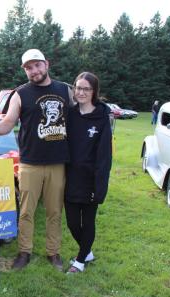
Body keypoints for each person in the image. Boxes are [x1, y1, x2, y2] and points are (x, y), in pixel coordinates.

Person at [0, 49, 74, 271]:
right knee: (26, 211)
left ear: (46, 64)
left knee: (55, 211)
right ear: (24, 70)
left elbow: (80, 117)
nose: (34, 70)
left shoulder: (65, 90)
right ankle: (24, 252)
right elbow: (7, 123)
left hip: (58, 162)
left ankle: (53, 253)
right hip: (30, 163)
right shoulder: (20, 94)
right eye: (29, 67)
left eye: (37, 65)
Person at [65, 72, 112, 274]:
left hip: (91, 179)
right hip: (70, 178)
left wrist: (99, 186)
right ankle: (87, 252)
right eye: (78, 87)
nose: (81, 92)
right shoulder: (70, 114)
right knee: (73, 223)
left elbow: (104, 156)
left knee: (88, 221)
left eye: (86, 88)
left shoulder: (102, 118)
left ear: (94, 92)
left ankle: (80, 261)